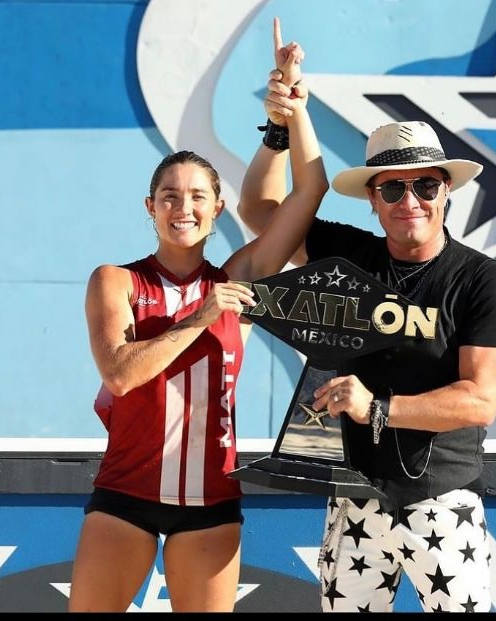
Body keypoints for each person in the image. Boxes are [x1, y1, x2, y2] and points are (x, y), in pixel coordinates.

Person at [238, 62, 496, 612]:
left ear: (446, 191)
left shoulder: (484, 280)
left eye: (425, 185)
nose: (409, 201)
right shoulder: (349, 258)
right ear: (372, 199)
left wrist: (376, 408)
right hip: (355, 498)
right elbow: (261, 211)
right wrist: (280, 127)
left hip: (442, 501)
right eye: (392, 188)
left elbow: (481, 400)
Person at [68, 26, 324, 612]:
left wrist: (288, 113)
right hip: (124, 496)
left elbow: (309, 192)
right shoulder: (116, 280)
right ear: (150, 207)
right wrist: (199, 317)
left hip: (211, 502)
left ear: (216, 208)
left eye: (197, 196)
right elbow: (120, 374)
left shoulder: (238, 279)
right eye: (170, 196)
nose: (183, 207)